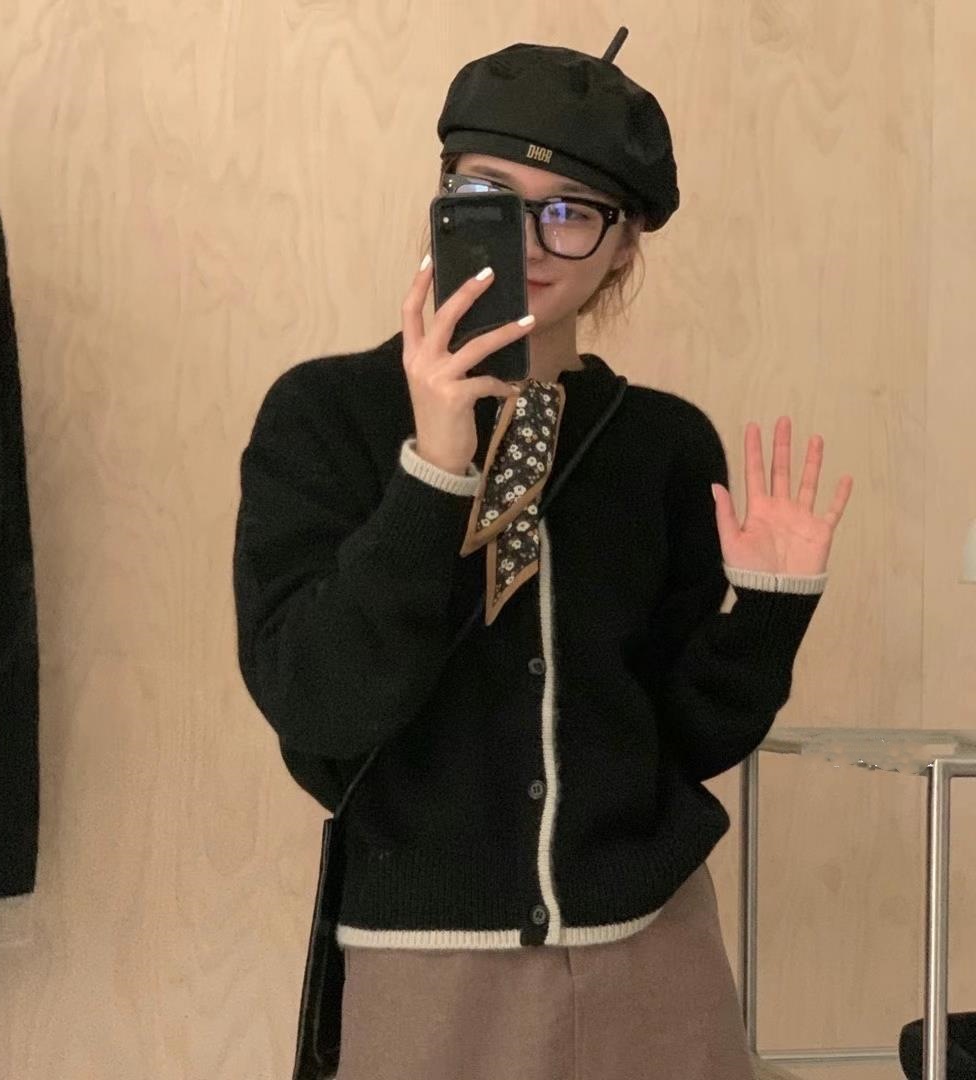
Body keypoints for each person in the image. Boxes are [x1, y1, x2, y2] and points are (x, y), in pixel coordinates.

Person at [232, 29, 853, 1080]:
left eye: (569, 212)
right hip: (428, 972)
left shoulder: (663, 446)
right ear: (443, 201)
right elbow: (319, 704)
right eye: (489, 197)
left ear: (624, 245)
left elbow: (683, 737)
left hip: (656, 954)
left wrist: (770, 611)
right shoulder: (325, 417)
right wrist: (435, 467)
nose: (527, 239)